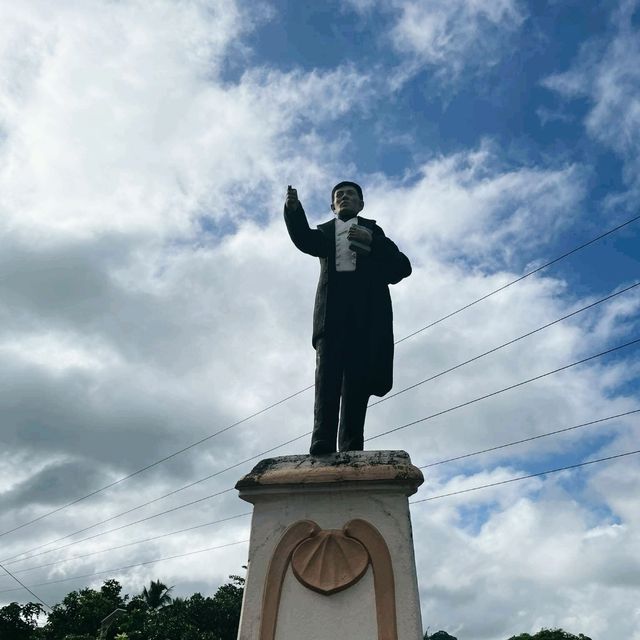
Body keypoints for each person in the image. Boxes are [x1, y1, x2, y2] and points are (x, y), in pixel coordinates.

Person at [284, 181, 412, 455]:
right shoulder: (325, 233)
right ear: (332, 206)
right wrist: (293, 211)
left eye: (350, 194)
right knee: (326, 380)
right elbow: (304, 239)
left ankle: (352, 444)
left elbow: (402, 268)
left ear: (361, 204)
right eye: (339, 195)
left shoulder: (374, 231)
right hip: (331, 320)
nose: (344, 197)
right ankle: (322, 439)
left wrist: (372, 242)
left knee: (357, 384)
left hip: (365, 322)